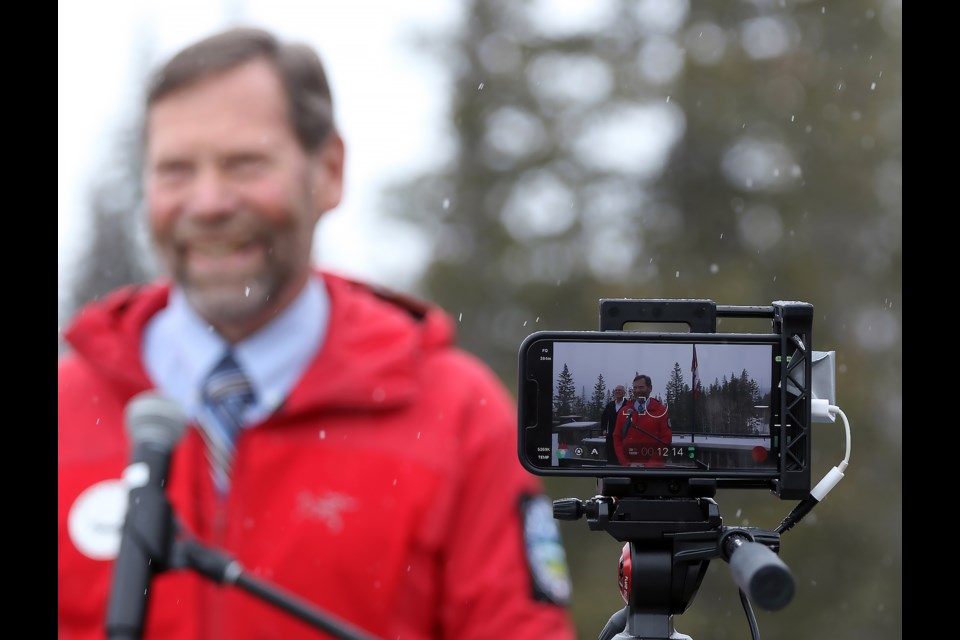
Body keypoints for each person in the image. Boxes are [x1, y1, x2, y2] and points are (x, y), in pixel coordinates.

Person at [57, 26, 576, 640]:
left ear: (328, 171)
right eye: (174, 170)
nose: (208, 202)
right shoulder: (66, 409)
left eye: (244, 163)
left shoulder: (457, 415)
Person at [612, 375, 672, 467]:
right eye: (635, 388)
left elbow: (666, 439)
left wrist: (649, 465)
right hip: (627, 468)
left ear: (650, 388)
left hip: (653, 470)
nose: (637, 391)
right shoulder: (624, 411)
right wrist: (625, 463)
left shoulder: (661, 411)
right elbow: (617, 437)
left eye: (641, 387)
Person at [600, 384, 627, 463]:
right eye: (616, 390)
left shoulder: (628, 405)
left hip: (624, 437)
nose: (618, 391)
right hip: (611, 436)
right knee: (611, 457)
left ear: (624, 393)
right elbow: (603, 419)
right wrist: (604, 429)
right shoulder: (610, 405)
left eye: (620, 390)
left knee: (623, 457)